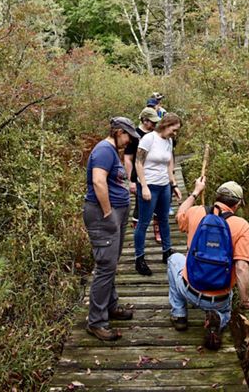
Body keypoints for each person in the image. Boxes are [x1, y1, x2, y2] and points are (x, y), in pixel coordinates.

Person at [167, 177, 249, 350]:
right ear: (237, 205)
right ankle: (218, 318)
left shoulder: (196, 212)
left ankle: (179, 315)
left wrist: (195, 192)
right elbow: (241, 267)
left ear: (216, 197)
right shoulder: (242, 226)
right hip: (218, 299)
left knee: (173, 259)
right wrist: (245, 301)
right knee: (225, 311)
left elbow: (179, 216)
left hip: (190, 289)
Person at [84, 116, 140, 342]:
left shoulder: (111, 150)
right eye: (127, 136)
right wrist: (107, 212)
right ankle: (96, 322)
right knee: (106, 266)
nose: (129, 141)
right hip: (102, 215)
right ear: (118, 131)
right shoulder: (104, 151)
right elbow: (98, 181)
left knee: (111, 263)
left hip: (114, 214)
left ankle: (110, 306)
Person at [134, 113, 183, 276]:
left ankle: (167, 251)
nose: (174, 134)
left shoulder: (168, 141)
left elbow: (169, 164)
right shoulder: (149, 139)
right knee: (144, 222)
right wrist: (144, 186)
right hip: (149, 186)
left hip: (164, 186)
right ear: (166, 125)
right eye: (174, 130)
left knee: (163, 220)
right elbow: (138, 162)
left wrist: (174, 184)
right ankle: (139, 258)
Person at [123, 108, 161, 232]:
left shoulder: (156, 134)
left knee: (158, 203)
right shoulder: (135, 135)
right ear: (145, 121)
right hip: (139, 176)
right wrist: (131, 180)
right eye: (152, 122)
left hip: (155, 175)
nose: (155, 125)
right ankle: (137, 231)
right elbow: (128, 158)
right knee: (140, 205)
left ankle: (157, 228)